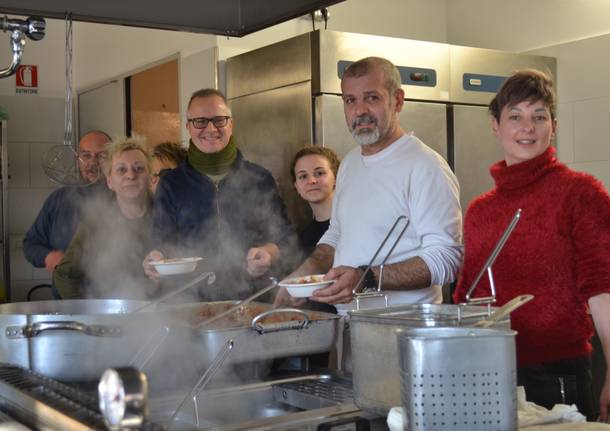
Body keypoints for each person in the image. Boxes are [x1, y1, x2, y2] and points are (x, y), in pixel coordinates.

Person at [452, 69, 610, 421]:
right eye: (515, 117)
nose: (528, 127)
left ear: (552, 125)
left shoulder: (581, 193)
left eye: (539, 116)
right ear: (495, 124)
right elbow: (467, 299)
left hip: (558, 375)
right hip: (487, 372)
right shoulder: (480, 211)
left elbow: (603, 291)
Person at [275, 56, 463, 312]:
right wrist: (306, 272)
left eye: (371, 98)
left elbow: (447, 258)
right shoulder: (350, 164)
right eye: (350, 100)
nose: (359, 110)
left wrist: (367, 278)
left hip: (404, 329)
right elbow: (337, 232)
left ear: (397, 100)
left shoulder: (425, 166)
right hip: (352, 327)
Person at [143, 88, 294, 301]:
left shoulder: (260, 178)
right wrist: (154, 258)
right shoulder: (171, 183)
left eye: (219, 120)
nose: (211, 128)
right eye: (200, 122)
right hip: (191, 301)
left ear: (231, 124)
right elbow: (161, 243)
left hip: (253, 299)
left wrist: (268, 252)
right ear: (188, 127)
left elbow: (286, 239)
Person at [53, 135, 155, 299]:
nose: (131, 175)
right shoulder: (96, 224)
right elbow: (64, 275)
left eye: (139, 168)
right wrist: (90, 313)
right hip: (111, 317)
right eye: (121, 169)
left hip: (159, 315)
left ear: (150, 177)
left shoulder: (167, 214)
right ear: (109, 181)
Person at [23, 130, 111, 273]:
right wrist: (48, 257)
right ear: (78, 160)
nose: (92, 162)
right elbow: (30, 244)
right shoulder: (58, 199)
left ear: (112, 159)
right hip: (66, 292)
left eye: (101, 156)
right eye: (86, 155)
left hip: (114, 290)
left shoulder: (123, 197)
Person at [291, 146, 340, 256]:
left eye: (319, 173)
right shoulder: (303, 238)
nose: (312, 181)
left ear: (336, 178)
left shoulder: (351, 224)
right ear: (296, 186)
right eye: (303, 176)